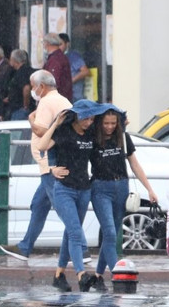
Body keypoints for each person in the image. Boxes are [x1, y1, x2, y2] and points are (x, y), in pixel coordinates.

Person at [37, 99, 112, 292]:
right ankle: (81, 274)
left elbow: (108, 135)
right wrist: (55, 124)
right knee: (76, 232)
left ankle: (59, 275)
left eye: (91, 118)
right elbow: (42, 146)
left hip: (84, 189)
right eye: (86, 118)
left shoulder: (91, 132)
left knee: (70, 232)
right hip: (64, 189)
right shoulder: (64, 131)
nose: (89, 122)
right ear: (77, 116)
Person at [0, 70, 73, 261]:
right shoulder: (62, 100)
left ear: (41, 86)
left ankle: (81, 249)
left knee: (63, 209)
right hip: (52, 163)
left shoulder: (47, 102)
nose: (32, 90)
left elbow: (41, 131)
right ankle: (25, 247)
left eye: (33, 86)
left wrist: (31, 119)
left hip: (50, 164)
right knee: (39, 205)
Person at [91, 108, 159, 291]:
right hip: (100, 188)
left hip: (121, 186)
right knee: (110, 233)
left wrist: (149, 189)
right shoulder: (93, 137)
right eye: (106, 123)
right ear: (99, 122)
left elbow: (134, 164)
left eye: (113, 123)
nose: (109, 127)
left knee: (111, 233)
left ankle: (98, 276)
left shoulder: (123, 137)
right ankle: (118, 276)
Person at [59, 33, 91, 101]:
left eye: (60, 44)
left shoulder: (73, 56)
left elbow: (85, 71)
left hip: (75, 95)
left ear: (67, 44)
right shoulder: (58, 57)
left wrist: (70, 81)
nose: (58, 47)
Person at [5, 49, 35, 121]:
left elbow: (26, 88)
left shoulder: (22, 72)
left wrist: (25, 105)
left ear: (14, 60)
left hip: (20, 109)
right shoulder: (28, 70)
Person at [43, 32, 73, 102]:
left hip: (57, 99)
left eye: (43, 43)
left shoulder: (55, 59)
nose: (43, 45)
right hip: (62, 98)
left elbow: (53, 81)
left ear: (47, 43)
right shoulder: (59, 57)